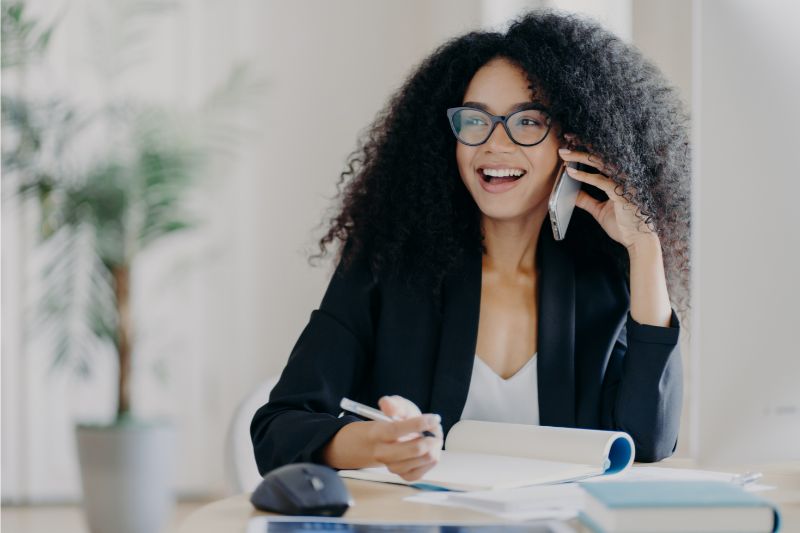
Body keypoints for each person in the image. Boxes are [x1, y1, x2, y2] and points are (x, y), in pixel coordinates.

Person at [251, 9, 690, 482]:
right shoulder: (386, 268)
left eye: (527, 122)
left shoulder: (602, 281)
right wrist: (372, 444)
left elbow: (647, 441)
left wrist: (645, 247)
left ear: (575, 143)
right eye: (474, 120)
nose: (494, 145)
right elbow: (277, 429)